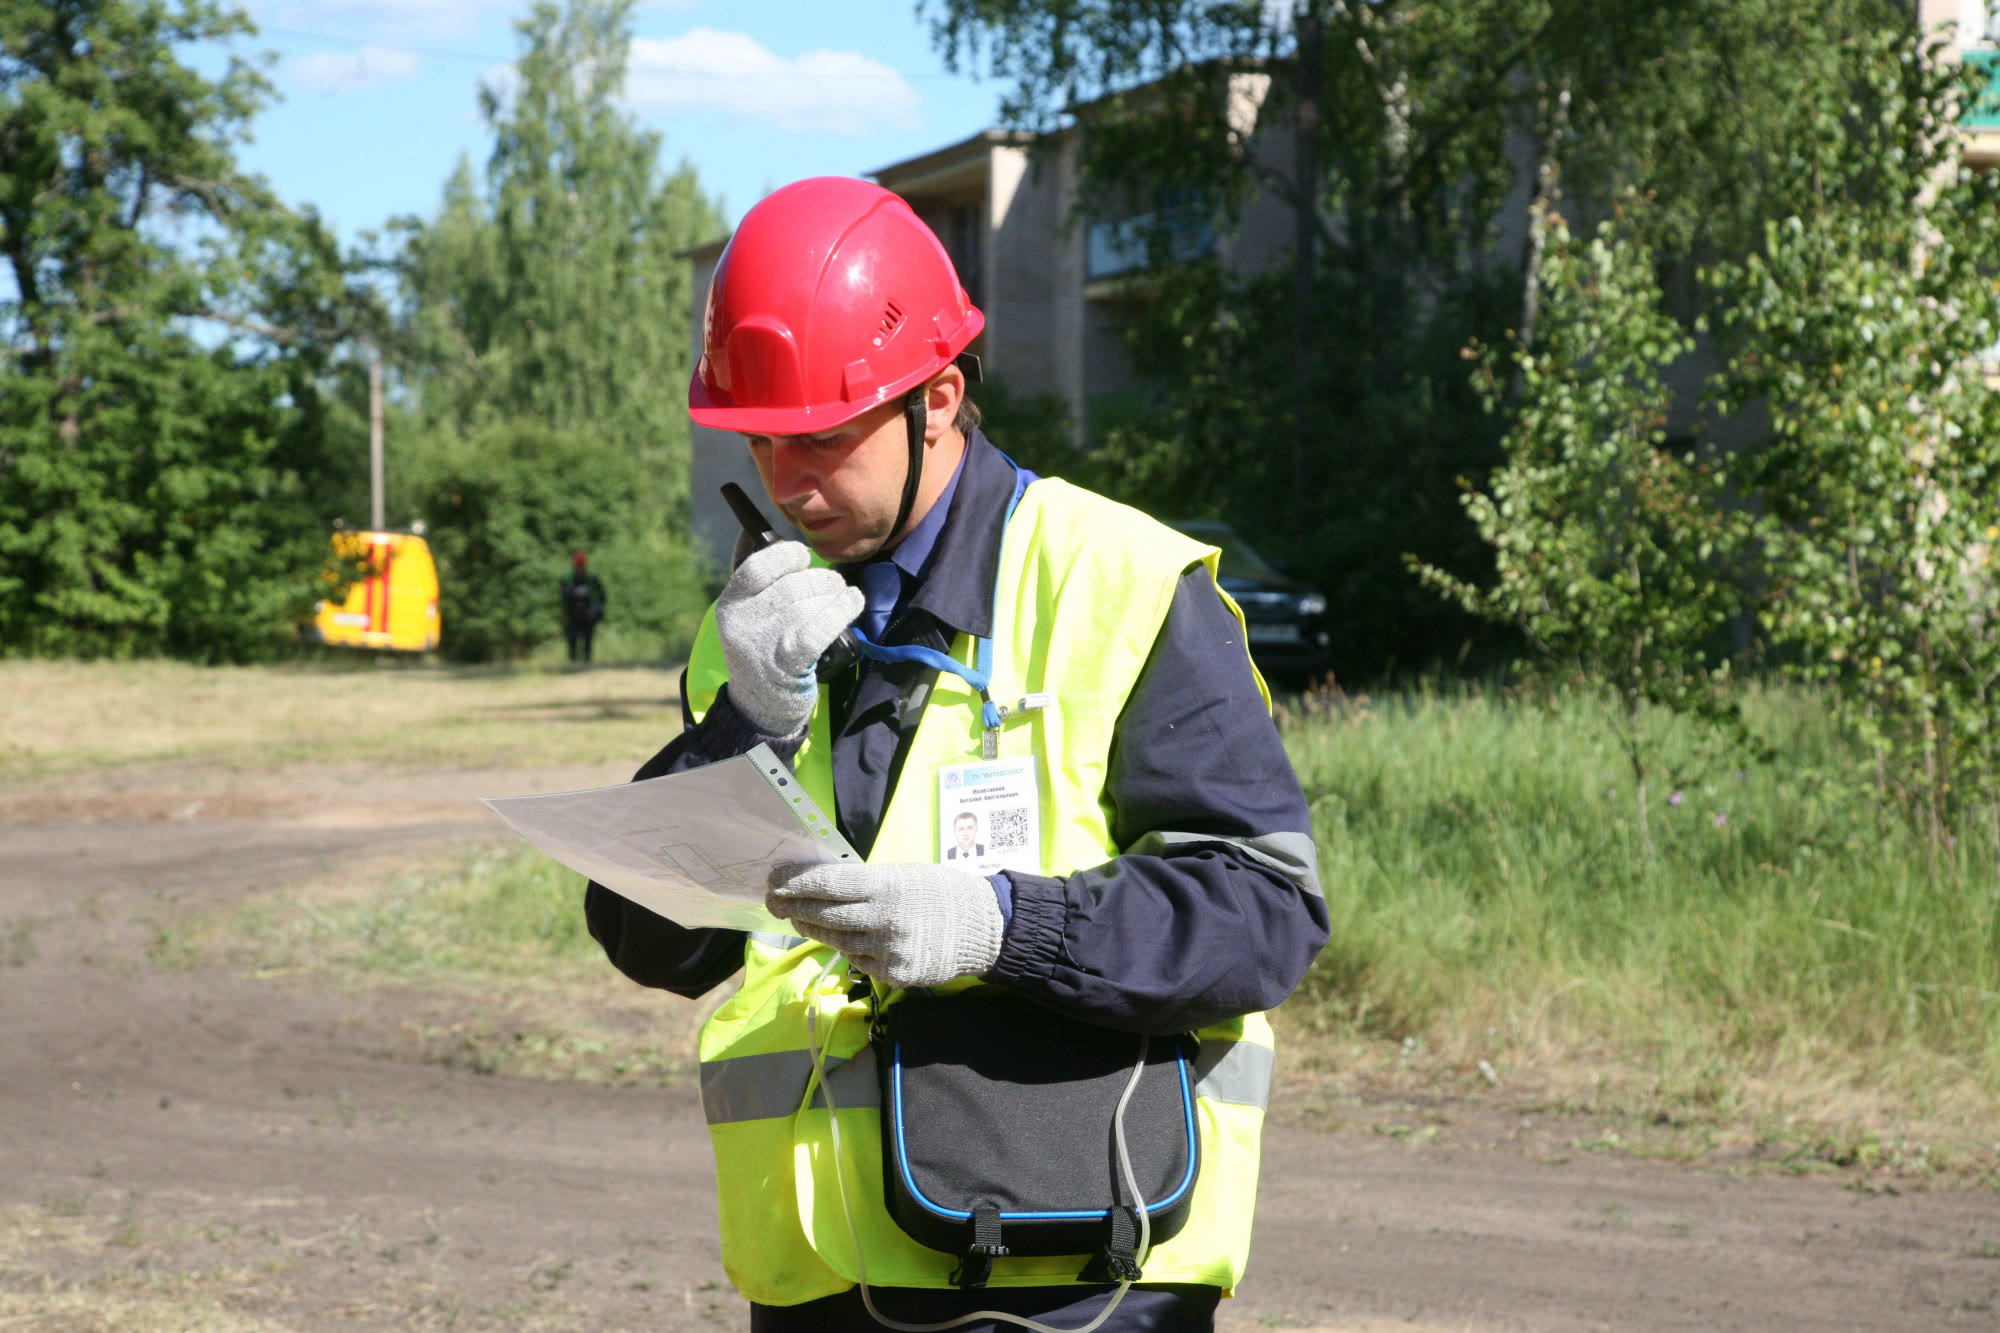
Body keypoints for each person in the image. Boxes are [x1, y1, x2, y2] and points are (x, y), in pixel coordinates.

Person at [584, 176, 1327, 1333]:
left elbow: (1262, 910)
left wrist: (996, 924)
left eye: (822, 438)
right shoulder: (761, 627)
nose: (787, 485)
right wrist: (747, 722)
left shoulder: (1120, 582)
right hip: (823, 1278)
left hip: (1079, 1269)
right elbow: (651, 942)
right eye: (761, 442)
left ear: (936, 397)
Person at [561, 550, 606, 664]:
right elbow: (563, 595)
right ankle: (573, 661)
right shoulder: (567, 578)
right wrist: (573, 593)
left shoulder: (592, 578)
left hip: (588, 613)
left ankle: (587, 660)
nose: (580, 568)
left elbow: (602, 596)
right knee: (572, 636)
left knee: (588, 637)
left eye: (582, 566)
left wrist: (594, 609)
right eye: (578, 566)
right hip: (573, 613)